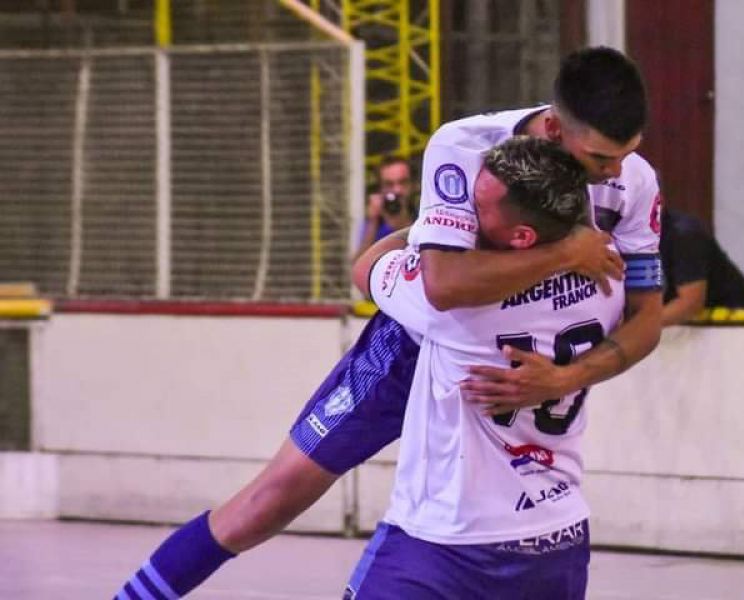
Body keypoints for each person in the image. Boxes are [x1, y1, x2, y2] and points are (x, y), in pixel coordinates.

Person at [113, 45, 659, 599]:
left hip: (487, 344)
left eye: (626, 156)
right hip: (420, 336)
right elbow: (443, 289)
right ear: (551, 129)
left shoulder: (633, 178)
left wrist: (565, 376)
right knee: (269, 501)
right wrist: (566, 255)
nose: (616, 173)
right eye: (600, 159)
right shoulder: (466, 144)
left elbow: (647, 316)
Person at [345, 136, 625, 599]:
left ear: (522, 237)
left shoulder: (450, 300)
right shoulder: (606, 282)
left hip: (447, 538)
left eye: (479, 204)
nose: (465, 209)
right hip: (558, 535)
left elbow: (365, 269)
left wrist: (434, 224)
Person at [660, 207, 744, 326]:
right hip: (678, 327)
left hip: (727, 325)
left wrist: (638, 328)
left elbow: (690, 303)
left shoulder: (684, 234)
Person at [353, 156, 417, 261]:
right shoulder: (375, 222)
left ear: (413, 185)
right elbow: (358, 265)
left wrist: (402, 224)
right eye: (389, 184)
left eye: (403, 182)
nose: (397, 190)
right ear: (381, 188)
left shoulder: (424, 216)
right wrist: (372, 223)